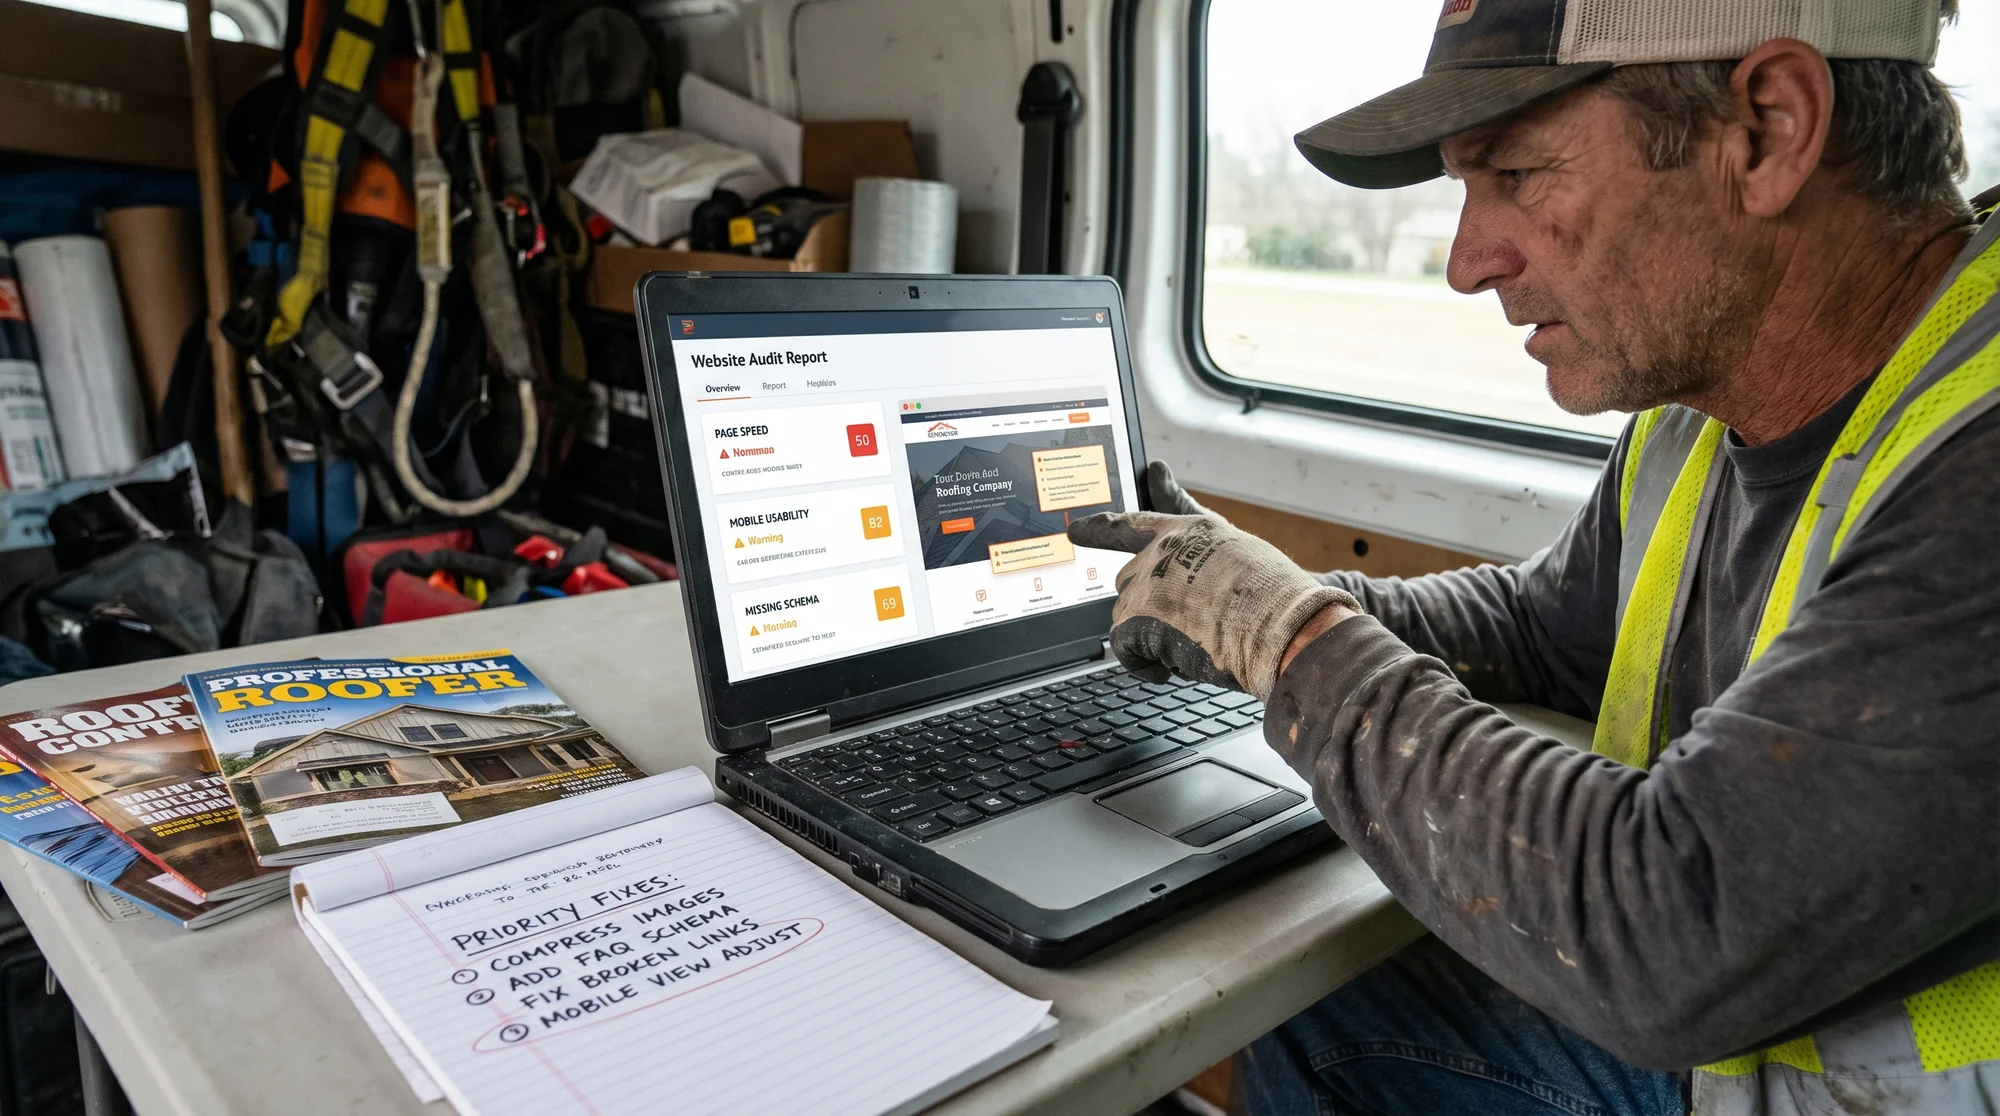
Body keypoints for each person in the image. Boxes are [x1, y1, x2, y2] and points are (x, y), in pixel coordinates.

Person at [1066, 0, 2000, 1113]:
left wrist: (1292, 641)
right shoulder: (1700, 412)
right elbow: (1542, 629)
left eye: (1514, 172)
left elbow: (1671, 926)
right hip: (1754, 1054)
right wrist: (1255, 596)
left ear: (1767, 130)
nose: (1468, 263)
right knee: (1325, 1011)